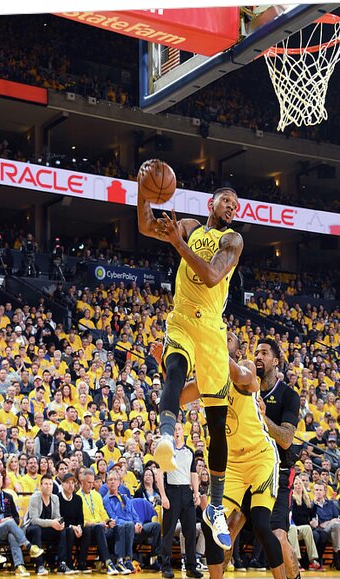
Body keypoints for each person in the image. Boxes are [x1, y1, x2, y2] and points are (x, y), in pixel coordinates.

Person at [138, 164, 243, 550]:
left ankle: (215, 507)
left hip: (212, 329)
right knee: (174, 370)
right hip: (181, 316)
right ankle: (166, 436)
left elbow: (214, 276)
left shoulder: (232, 240)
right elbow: (149, 226)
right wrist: (142, 191)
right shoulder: (191, 225)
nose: (231, 207)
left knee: (216, 421)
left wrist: (178, 247)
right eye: (226, 200)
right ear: (210, 202)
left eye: (235, 204)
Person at [180, 333, 308, 579]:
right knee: (213, 526)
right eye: (218, 339)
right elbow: (179, 398)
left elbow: (237, 373)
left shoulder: (246, 370)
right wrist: (167, 366)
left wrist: (207, 345)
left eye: (227, 341)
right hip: (232, 466)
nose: (221, 342)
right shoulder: (210, 377)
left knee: (266, 527)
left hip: (262, 460)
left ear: (237, 352)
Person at [254, 339, 312, 579]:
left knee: (278, 536)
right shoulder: (246, 387)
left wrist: (262, 418)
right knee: (226, 532)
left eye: (264, 353)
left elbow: (287, 439)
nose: (258, 356)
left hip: (278, 471)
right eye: (255, 352)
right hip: (248, 469)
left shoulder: (289, 395)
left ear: (276, 361)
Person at [155, 422, 203, 579]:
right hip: (172, 492)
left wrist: (196, 492)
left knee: (189, 531)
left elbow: (194, 473)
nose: (176, 432)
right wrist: (163, 495)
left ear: (183, 432)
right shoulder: (167, 450)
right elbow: (159, 474)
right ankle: (166, 565)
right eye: (174, 429)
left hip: (186, 493)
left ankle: (191, 566)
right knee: (168, 532)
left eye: (179, 429)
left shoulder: (189, 451)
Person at [0, 470, 44, 575]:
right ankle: (29, 546)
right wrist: (0, 520)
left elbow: (16, 517)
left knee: (12, 535)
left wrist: (12, 520)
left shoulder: (8, 497)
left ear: (2, 479)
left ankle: (19, 566)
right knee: (9, 523)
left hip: (8, 529)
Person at [23, 473, 69, 575]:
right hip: (31, 529)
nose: (48, 486)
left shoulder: (55, 498)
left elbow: (57, 516)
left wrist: (59, 523)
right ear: (41, 486)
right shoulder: (35, 497)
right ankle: (39, 565)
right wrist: (52, 523)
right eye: (46, 484)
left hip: (46, 529)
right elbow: (33, 520)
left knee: (62, 530)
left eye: (50, 484)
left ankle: (62, 563)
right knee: (36, 529)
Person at [76, 468, 119, 575]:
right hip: (88, 530)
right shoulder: (77, 497)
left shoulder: (97, 495)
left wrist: (108, 521)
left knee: (117, 528)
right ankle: (108, 562)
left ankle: (121, 561)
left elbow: (103, 513)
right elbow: (82, 521)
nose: (91, 485)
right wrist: (97, 524)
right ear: (82, 482)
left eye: (92, 482)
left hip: (101, 528)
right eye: (88, 483)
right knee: (98, 527)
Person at [102, 468, 141, 574]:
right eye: (110, 480)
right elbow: (113, 517)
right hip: (117, 527)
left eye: (115, 479)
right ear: (106, 483)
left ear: (119, 482)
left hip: (129, 526)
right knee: (126, 525)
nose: (113, 482)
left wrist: (138, 523)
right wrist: (131, 524)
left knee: (153, 526)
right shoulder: (106, 500)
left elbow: (134, 514)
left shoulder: (125, 497)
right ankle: (123, 560)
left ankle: (130, 560)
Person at [288, 473, 323, 571]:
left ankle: (312, 560)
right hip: (292, 527)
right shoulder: (292, 499)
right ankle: (296, 560)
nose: (298, 485)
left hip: (301, 528)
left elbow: (311, 515)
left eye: (300, 483)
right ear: (292, 487)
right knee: (294, 528)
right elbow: (295, 516)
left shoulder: (306, 498)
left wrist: (315, 504)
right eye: (295, 484)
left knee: (307, 528)